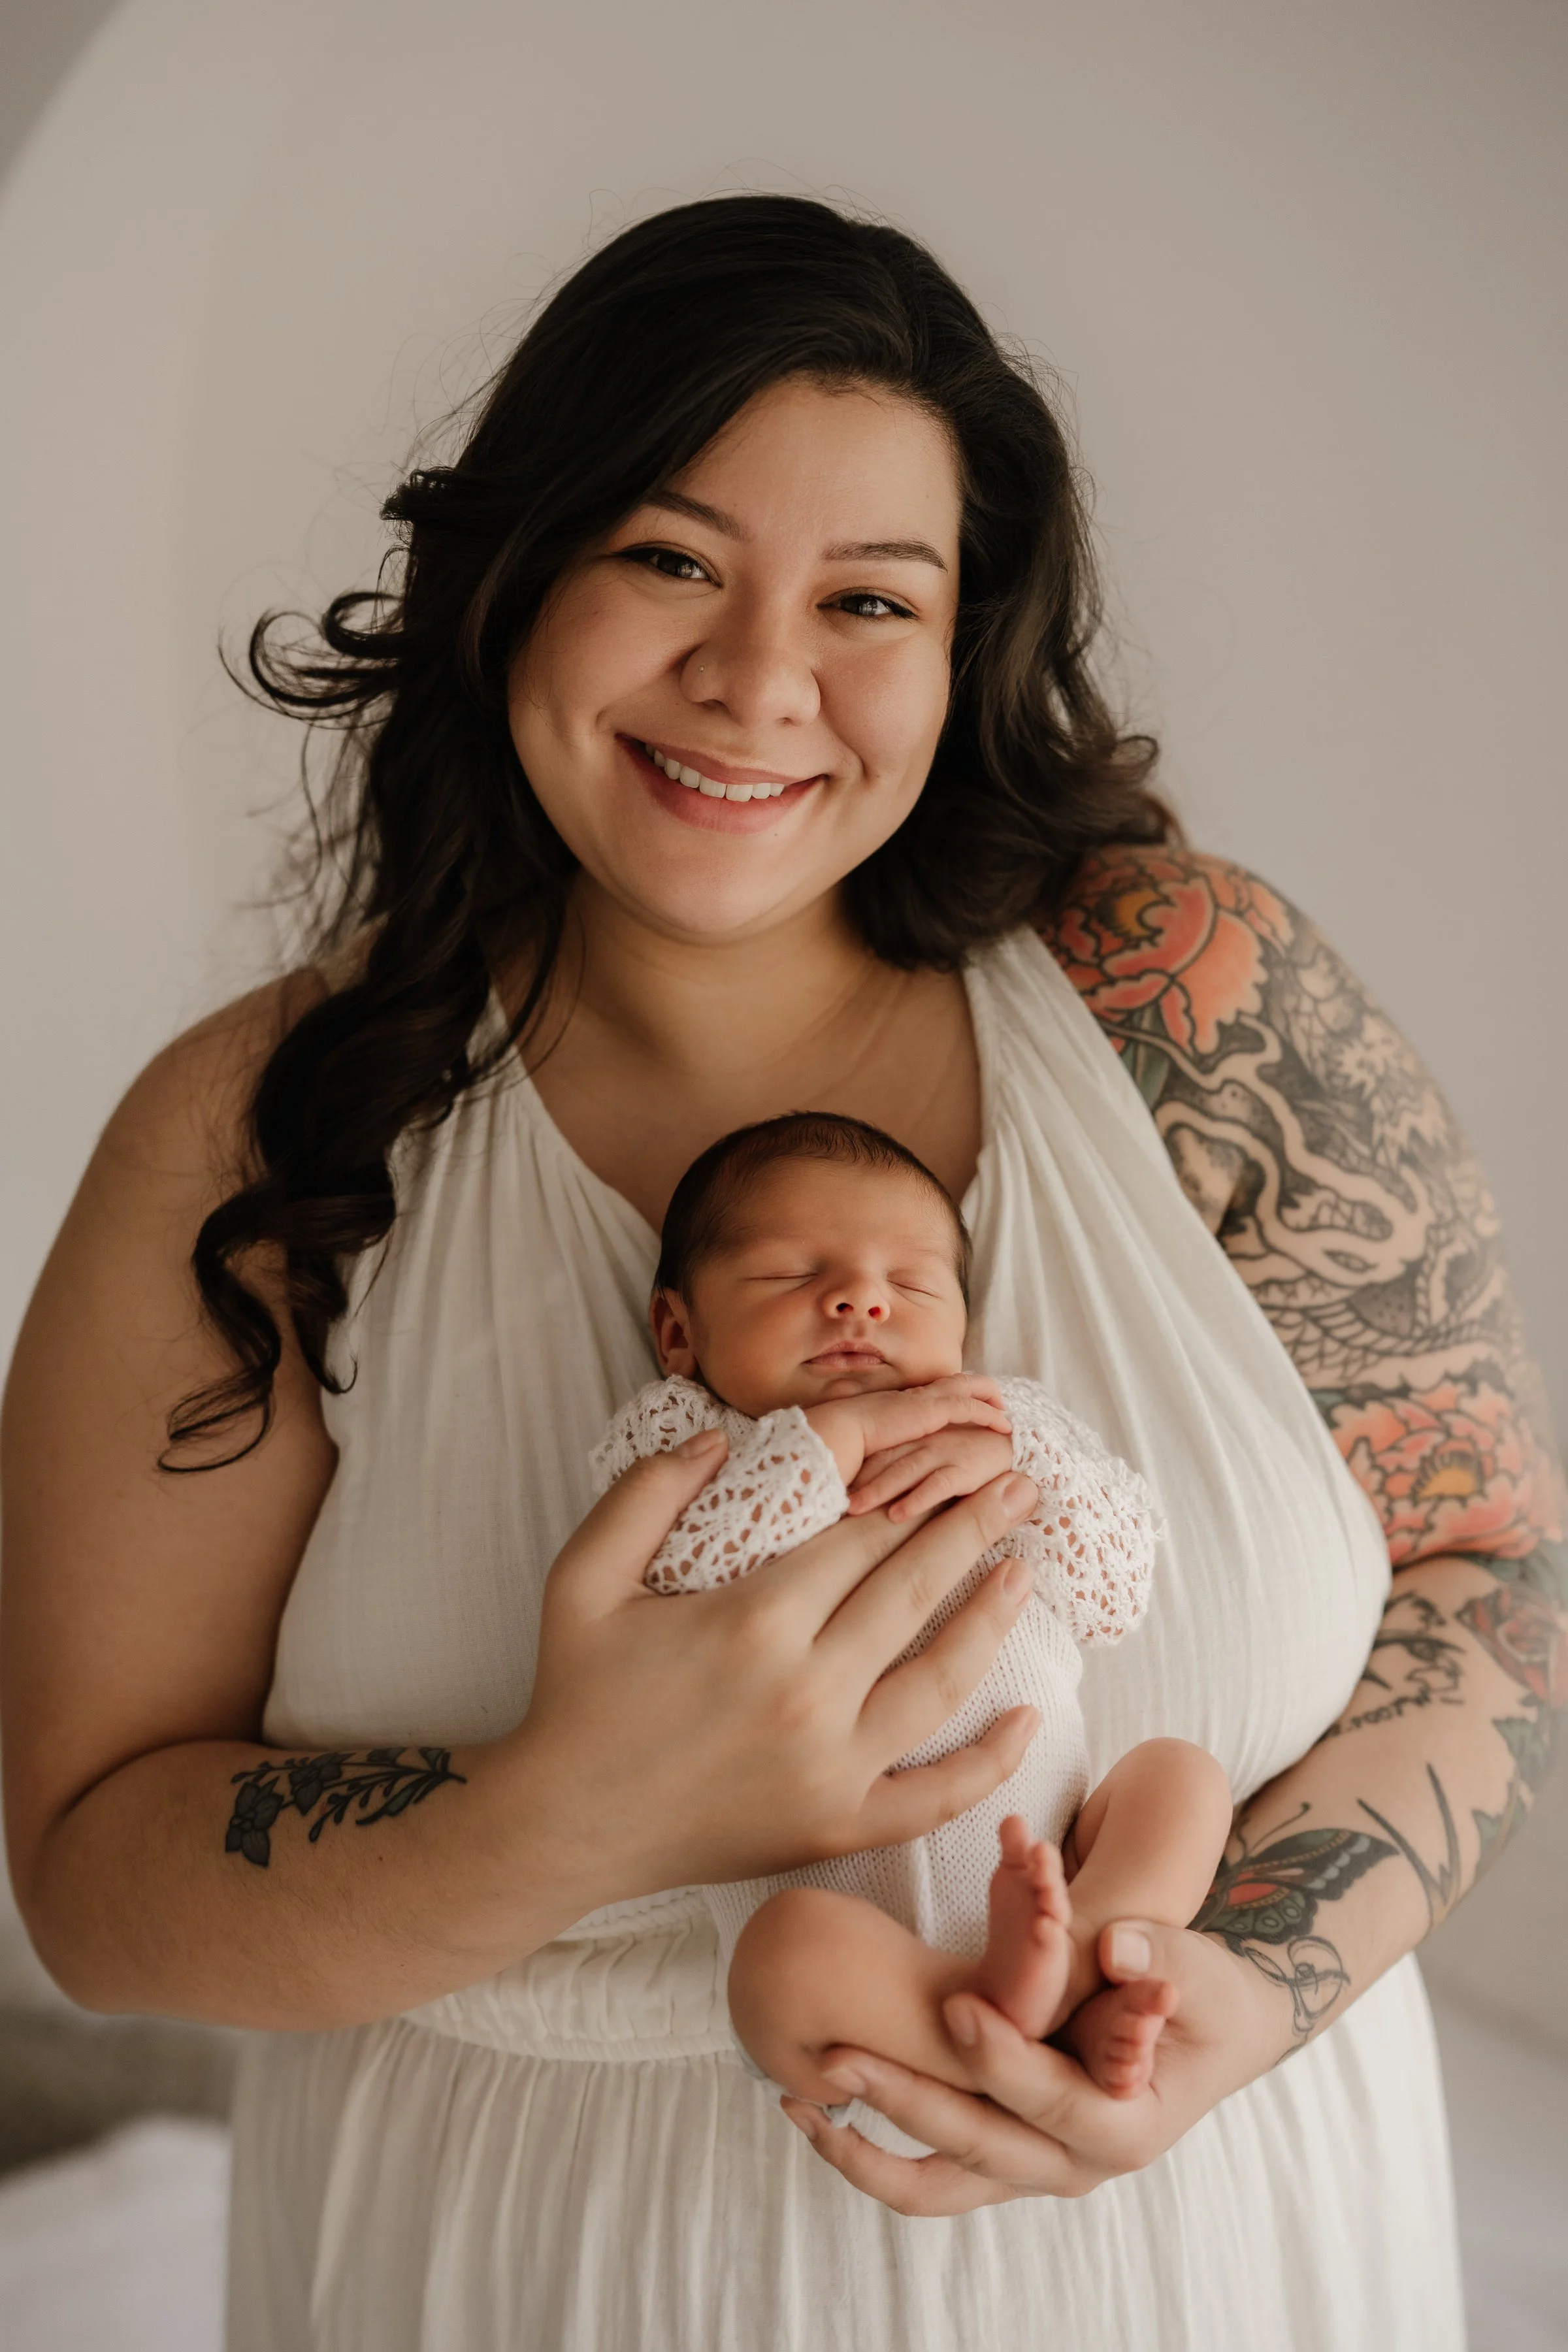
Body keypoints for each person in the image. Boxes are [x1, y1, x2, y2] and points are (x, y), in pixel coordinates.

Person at [1, 193, 1561, 2351]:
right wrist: (563, 1813)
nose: (755, 682)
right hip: (522, 2275)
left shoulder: (1194, 1000)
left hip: (1226, 2248)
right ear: (520, 573)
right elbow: (93, 1882)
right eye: (667, 559)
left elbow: (1492, 1571)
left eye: (869, 598)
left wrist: (1237, 1989)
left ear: (962, 644)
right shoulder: (261, 1142)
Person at [591, 1107, 1235, 2124]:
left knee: (1181, 1781)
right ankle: (972, 2019)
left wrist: (1032, 1460)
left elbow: (1117, 1592)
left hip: (1045, 1853)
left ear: (963, 1331)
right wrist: (833, 1446)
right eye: (793, 1275)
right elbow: (671, 1571)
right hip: (839, 1929)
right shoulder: (685, 1439)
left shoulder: (1000, 1424)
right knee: (781, 1959)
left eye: (912, 1286)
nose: (859, 1300)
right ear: (679, 1331)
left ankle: (1083, 1953)